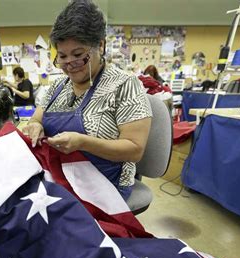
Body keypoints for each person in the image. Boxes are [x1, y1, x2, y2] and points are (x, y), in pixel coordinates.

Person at [22, 0, 152, 199]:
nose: (69, 64)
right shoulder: (58, 86)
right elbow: (36, 119)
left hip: (105, 186)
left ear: (100, 45)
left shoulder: (125, 85)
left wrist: (83, 143)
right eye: (62, 56)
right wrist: (34, 127)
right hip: (60, 179)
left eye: (78, 55)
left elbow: (134, 150)